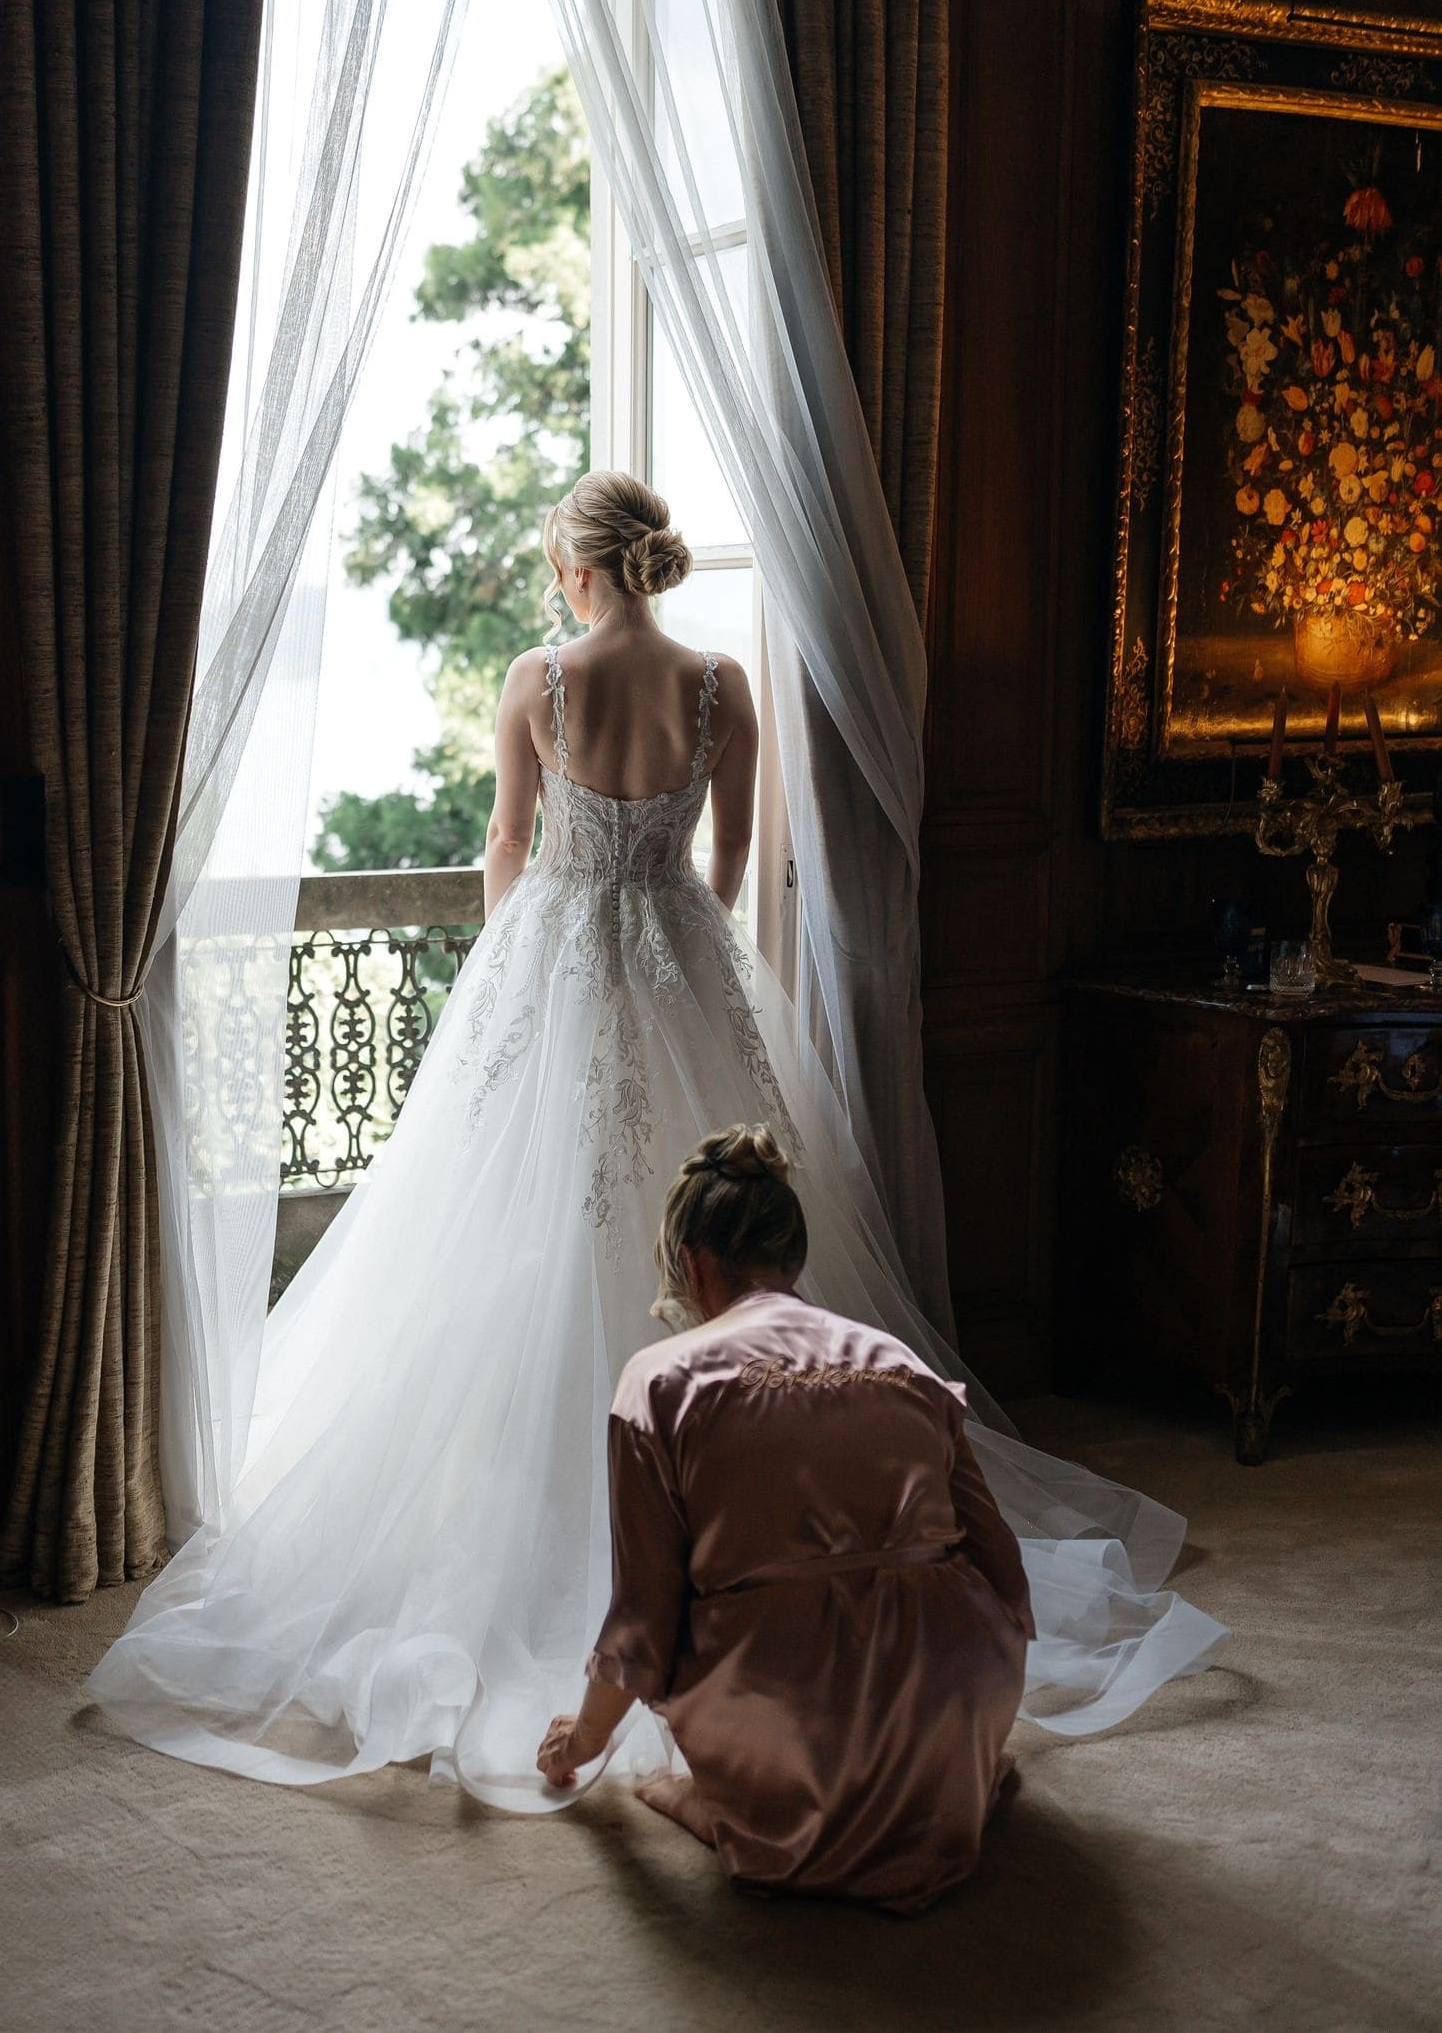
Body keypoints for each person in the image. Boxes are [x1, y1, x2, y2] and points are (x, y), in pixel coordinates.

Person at [87, 471, 1224, 1807]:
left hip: (552, 960)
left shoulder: (537, 681)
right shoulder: (717, 687)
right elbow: (730, 858)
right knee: (710, 1219)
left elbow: (504, 846)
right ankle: (740, 1493)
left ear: (575, 568)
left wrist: (531, 951)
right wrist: (674, 935)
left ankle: (552, 1520)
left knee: (525, 1235)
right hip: (679, 950)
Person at [537, 1126, 1029, 1910]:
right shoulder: (898, 1359)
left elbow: (643, 1613)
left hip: (787, 1701)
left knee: (732, 1665)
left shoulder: (658, 1380)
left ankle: (744, 1810)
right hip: (955, 1679)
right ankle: (937, 1772)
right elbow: (998, 1560)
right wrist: (978, 1689)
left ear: (693, 1260)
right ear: (791, 1257)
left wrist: (585, 1738)